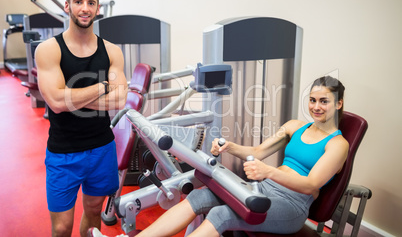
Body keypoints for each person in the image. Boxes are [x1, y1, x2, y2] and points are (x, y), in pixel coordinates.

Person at [88, 75, 348, 237]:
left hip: (291, 206)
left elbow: (312, 184)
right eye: (313, 100)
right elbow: (258, 152)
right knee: (201, 194)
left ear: (338, 104)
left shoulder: (337, 144)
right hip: (262, 189)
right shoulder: (294, 126)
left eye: (324, 101)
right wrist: (229, 147)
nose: (316, 106)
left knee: (222, 215)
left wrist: (269, 171)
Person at [35, 0, 128, 237]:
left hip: (102, 148)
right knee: (62, 227)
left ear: (98, 8)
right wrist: (102, 87)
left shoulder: (111, 51)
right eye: (78, 2)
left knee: (94, 213)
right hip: (64, 152)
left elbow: (120, 99)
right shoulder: (48, 49)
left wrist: (70, 96)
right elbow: (55, 101)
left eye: (90, 3)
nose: (84, 8)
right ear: (67, 6)